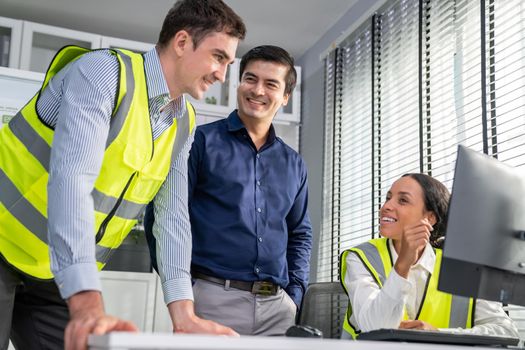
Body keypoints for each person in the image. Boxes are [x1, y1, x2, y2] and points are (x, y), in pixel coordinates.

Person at [0, 0, 246, 349]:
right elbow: (72, 181)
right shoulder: (104, 74)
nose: (223, 74)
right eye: (218, 57)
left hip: (51, 269)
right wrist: (86, 303)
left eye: (229, 63)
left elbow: (172, 217)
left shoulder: (183, 122)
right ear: (181, 42)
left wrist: (183, 314)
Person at [145, 45, 313, 335]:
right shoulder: (198, 142)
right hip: (211, 300)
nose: (257, 90)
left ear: (285, 96)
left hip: (278, 309)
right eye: (250, 78)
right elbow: (162, 217)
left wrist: (294, 295)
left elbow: (299, 233)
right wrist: (187, 289)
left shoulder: (294, 163)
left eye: (271, 84)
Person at [340, 173, 519, 339]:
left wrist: (437, 333)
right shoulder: (362, 257)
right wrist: (403, 264)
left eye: (402, 200)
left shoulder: (462, 268)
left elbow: (506, 331)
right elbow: (375, 328)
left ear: (430, 218)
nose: (386, 206)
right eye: (388, 198)